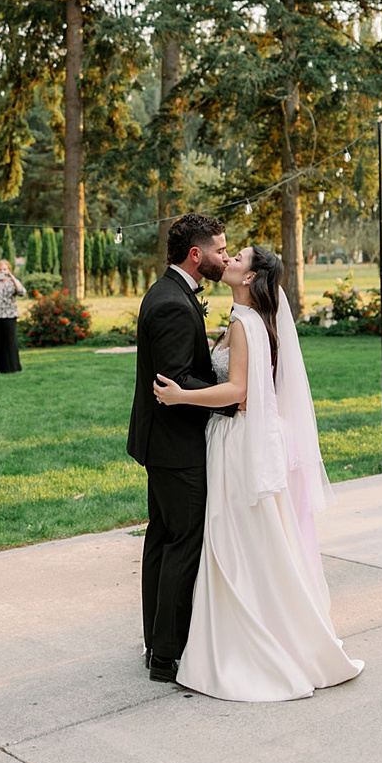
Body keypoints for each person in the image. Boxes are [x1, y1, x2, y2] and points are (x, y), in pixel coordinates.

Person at [151, 245, 363, 701]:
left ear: (250, 278)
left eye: (238, 258)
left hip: (237, 439)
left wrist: (181, 396)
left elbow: (238, 392)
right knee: (250, 538)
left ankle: (245, 643)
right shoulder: (251, 320)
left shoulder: (244, 324)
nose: (228, 260)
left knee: (231, 538)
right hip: (242, 436)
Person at [127, 212, 231, 683]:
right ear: (196, 254)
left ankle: (156, 642)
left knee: (162, 538)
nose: (224, 257)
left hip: (163, 442)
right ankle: (167, 655)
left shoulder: (170, 292)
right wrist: (233, 397)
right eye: (220, 250)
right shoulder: (172, 303)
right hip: (175, 445)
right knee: (182, 542)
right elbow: (175, 381)